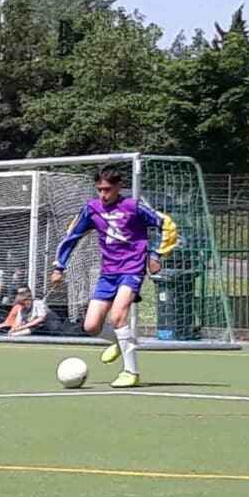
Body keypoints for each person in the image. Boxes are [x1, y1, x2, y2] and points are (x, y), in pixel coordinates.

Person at [51, 165, 178, 388]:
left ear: (119, 186)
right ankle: (122, 340)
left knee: (118, 316)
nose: (103, 194)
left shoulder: (133, 207)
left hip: (132, 269)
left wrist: (157, 254)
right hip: (108, 273)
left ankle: (131, 372)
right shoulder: (91, 210)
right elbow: (71, 236)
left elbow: (167, 224)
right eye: (99, 189)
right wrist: (59, 266)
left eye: (107, 189)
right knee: (91, 326)